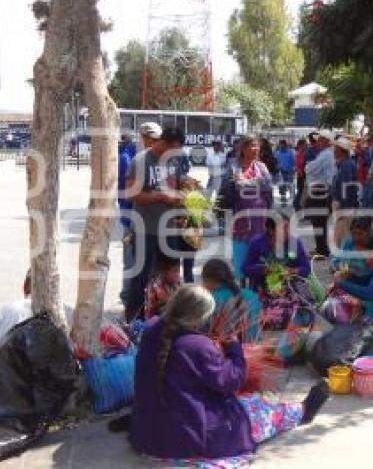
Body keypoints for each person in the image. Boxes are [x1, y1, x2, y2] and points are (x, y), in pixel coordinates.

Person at [129, 285, 329, 462]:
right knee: (256, 410)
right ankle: (301, 411)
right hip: (183, 442)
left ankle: (296, 411)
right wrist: (234, 349)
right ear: (197, 318)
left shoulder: (150, 328)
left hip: (147, 436)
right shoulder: (198, 346)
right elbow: (231, 381)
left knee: (244, 404)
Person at [125, 126, 187, 321]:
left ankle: (169, 316)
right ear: (163, 143)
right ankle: (134, 318)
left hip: (169, 229)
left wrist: (184, 195)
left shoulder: (174, 160)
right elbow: (131, 193)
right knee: (140, 276)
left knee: (172, 275)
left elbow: (176, 187)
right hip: (145, 229)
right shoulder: (141, 161)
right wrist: (160, 196)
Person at [243, 212, 311, 330]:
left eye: (288, 227)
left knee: (301, 318)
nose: (287, 231)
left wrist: (292, 271)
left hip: (289, 289)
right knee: (266, 319)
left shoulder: (294, 243)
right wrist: (262, 269)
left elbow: (306, 268)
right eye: (283, 228)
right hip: (263, 290)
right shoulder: (257, 243)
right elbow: (245, 269)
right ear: (270, 230)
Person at [119, 123, 160, 305]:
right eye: (153, 140)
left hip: (153, 223)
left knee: (151, 267)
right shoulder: (127, 158)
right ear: (143, 138)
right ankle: (129, 303)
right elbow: (124, 193)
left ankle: (148, 303)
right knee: (132, 265)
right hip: (131, 220)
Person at [229, 136, 273, 278]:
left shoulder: (261, 166)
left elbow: (268, 185)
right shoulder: (234, 165)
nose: (256, 149)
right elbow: (236, 186)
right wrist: (256, 182)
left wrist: (245, 181)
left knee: (259, 259)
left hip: (260, 219)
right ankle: (242, 291)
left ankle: (258, 289)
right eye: (252, 145)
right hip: (241, 220)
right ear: (243, 148)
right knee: (241, 260)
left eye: (257, 146)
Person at [202, 258, 262, 343]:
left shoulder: (212, 300)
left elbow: (205, 332)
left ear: (209, 280)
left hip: (225, 350)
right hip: (255, 349)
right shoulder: (251, 295)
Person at [304, 130, 336, 256]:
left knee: (318, 221)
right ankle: (321, 248)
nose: (318, 142)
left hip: (320, 190)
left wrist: (309, 166)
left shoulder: (326, 155)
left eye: (321, 140)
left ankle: (321, 249)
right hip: (321, 189)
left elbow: (309, 168)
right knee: (319, 221)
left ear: (326, 142)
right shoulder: (326, 154)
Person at [331, 137, 359, 246]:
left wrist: (342, 207)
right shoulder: (344, 164)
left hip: (344, 206)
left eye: (336, 148)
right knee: (341, 235)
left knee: (342, 236)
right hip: (344, 205)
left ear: (341, 150)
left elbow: (346, 187)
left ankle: (341, 260)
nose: (333, 150)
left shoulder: (347, 165)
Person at [331, 217, 373, 284]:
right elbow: (338, 261)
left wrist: (355, 272)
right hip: (349, 280)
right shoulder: (349, 242)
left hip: (367, 283)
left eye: (360, 234)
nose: (356, 237)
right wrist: (344, 270)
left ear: (369, 232)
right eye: (354, 233)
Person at [275, 139, 296, 206]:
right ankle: (283, 201)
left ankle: (293, 201)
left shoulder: (290, 153)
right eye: (280, 144)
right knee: (282, 187)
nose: (281, 146)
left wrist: (294, 170)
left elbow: (294, 162)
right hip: (281, 173)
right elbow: (275, 162)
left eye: (283, 144)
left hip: (289, 172)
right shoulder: (277, 153)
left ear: (285, 145)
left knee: (290, 187)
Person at [293, 138, 308, 211]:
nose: (306, 146)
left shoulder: (300, 153)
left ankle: (297, 206)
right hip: (301, 175)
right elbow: (299, 165)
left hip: (301, 174)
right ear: (300, 145)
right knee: (301, 191)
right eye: (305, 145)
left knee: (301, 191)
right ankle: (297, 206)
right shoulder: (300, 154)